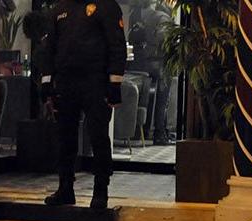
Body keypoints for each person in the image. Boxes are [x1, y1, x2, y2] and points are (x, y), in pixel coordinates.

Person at [40, 0, 127, 210]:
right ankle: (65, 188)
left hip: (96, 82)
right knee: (65, 137)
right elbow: (49, 47)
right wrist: (46, 81)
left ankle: (100, 190)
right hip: (66, 82)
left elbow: (117, 45)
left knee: (98, 137)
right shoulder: (60, 8)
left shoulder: (106, 6)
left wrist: (114, 84)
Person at [128, 0, 173, 145]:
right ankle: (160, 133)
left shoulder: (135, 15)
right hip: (159, 62)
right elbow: (165, 41)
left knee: (145, 98)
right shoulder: (162, 17)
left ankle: (143, 131)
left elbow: (131, 38)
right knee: (162, 100)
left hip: (140, 63)